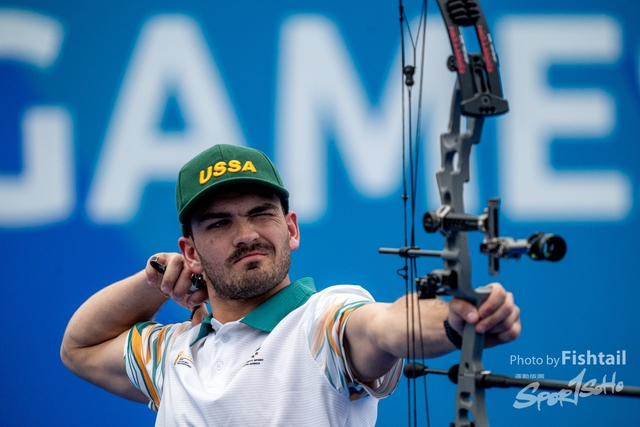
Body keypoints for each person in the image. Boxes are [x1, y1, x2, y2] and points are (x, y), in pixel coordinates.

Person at [61, 144, 520, 426]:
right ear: (191, 252)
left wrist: (456, 322)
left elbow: (387, 326)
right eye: (220, 223)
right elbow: (79, 349)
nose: (246, 235)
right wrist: (155, 281)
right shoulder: (173, 354)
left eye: (261, 214)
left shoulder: (321, 322)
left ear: (291, 229)